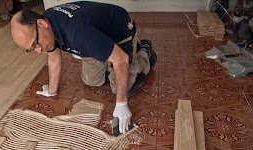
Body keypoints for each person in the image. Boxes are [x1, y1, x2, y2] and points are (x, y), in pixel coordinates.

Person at [10, 1, 157, 134]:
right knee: (92, 80)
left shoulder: (78, 33)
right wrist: (52, 91)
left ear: (41, 24)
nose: (39, 50)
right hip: (94, 38)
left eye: (36, 43)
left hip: (120, 31)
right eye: (32, 48)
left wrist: (122, 104)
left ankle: (144, 52)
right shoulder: (47, 29)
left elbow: (121, 59)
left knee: (124, 87)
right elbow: (54, 58)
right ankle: (106, 52)